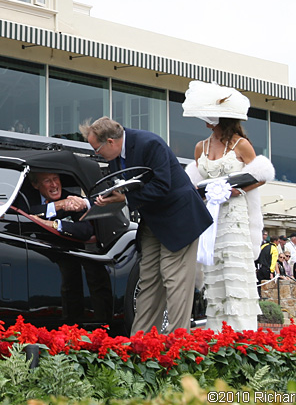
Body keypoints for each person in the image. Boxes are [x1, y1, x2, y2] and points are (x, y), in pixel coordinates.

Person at [83, 116, 212, 335]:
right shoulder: (116, 155)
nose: (97, 155)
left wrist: (123, 199)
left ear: (111, 142)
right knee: (149, 279)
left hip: (179, 219)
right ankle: (141, 341)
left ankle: (177, 342)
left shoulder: (150, 143)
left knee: (175, 279)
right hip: (153, 221)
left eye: (97, 150)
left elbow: (162, 185)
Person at [181, 80, 273, 331]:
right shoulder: (201, 146)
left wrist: (236, 190)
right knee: (214, 268)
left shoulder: (240, 144)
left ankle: (241, 331)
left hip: (234, 214)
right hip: (211, 214)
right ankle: (216, 329)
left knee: (234, 268)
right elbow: (197, 182)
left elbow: (260, 175)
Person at [19, 171, 93, 240]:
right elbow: (27, 214)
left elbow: (85, 229)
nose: (54, 185)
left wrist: (52, 224)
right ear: (35, 185)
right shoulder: (24, 197)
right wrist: (59, 205)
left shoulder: (71, 198)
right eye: (47, 181)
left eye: (55, 178)